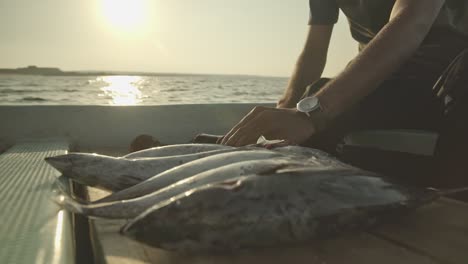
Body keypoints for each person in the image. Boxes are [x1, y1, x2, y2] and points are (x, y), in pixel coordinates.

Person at [219, 0, 468, 188]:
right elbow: (314, 52)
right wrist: (286, 111)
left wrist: (312, 114)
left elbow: (412, 21)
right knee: (315, 94)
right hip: (386, 80)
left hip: (448, 72)